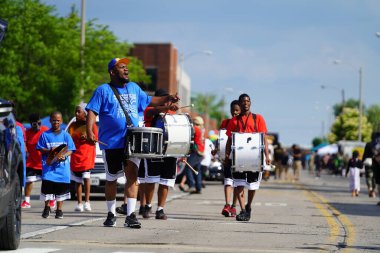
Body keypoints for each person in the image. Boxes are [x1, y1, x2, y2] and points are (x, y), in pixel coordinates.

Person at [85, 57, 179, 228]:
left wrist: (168, 98)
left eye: (126, 67)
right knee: (112, 178)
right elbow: (92, 111)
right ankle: (111, 213)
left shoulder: (134, 88)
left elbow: (151, 100)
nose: (126, 70)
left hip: (133, 139)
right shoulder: (103, 90)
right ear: (112, 72)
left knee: (132, 176)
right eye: (122, 67)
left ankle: (130, 216)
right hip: (111, 142)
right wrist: (90, 131)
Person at [225, 93, 271, 222]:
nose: (245, 103)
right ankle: (243, 210)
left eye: (247, 101)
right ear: (239, 104)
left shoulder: (258, 118)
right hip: (238, 158)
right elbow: (229, 139)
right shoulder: (234, 121)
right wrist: (227, 155)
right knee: (239, 184)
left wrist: (267, 156)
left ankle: (248, 206)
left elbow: (264, 139)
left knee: (252, 185)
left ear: (250, 103)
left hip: (254, 157)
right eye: (243, 101)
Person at [139, 88, 179, 219]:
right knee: (151, 180)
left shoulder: (173, 114)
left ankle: (160, 209)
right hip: (153, 150)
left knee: (165, 181)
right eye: (164, 99)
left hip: (169, 150)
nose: (167, 103)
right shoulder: (150, 111)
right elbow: (154, 110)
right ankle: (148, 205)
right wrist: (165, 107)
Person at [36, 111, 76, 219]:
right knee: (47, 189)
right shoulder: (45, 135)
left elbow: (71, 149)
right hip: (48, 168)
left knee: (61, 190)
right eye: (54, 120)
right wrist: (49, 150)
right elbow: (39, 148)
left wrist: (64, 155)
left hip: (62, 169)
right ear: (50, 121)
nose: (56, 122)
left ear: (61, 121)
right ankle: (47, 207)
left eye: (58, 120)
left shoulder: (65, 135)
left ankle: (59, 210)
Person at [68, 103, 98, 212]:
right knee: (77, 181)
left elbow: (95, 140)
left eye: (78, 111)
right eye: (76, 111)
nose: (76, 114)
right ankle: (79, 203)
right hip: (76, 155)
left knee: (86, 178)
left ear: (85, 113)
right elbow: (69, 140)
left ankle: (87, 202)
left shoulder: (92, 125)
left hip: (87, 155)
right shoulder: (72, 126)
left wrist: (89, 137)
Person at [216, 100, 241, 217]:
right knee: (227, 181)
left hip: (241, 158)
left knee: (238, 183)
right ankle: (227, 204)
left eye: (237, 110)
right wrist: (216, 149)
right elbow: (220, 139)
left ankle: (234, 207)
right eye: (233, 110)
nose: (234, 113)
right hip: (228, 156)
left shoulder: (243, 123)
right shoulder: (225, 123)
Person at [21, 113, 49, 209]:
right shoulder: (27, 132)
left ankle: (51, 199)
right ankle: (27, 201)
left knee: (47, 182)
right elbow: (24, 145)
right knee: (29, 180)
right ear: (30, 123)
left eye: (38, 123)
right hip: (32, 162)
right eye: (34, 124)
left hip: (44, 162)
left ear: (40, 122)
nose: (36, 126)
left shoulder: (45, 131)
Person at [181, 116, 205, 194]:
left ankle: (191, 185)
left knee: (188, 167)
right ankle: (198, 187)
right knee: (197, 170)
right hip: (201, 151)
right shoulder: (202, 130)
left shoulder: (195, 129)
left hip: (196, 150)